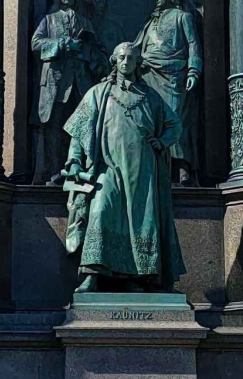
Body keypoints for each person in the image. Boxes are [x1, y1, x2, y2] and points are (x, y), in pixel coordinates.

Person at [61, 42, 186, 293]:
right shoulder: (99, 93)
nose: (126, 62)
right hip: (108, 168)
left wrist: (161, 142)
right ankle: (92, 274)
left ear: (138, 63)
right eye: (121, 58)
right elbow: (79, 132)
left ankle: (136, 277)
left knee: (141, 222)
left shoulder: (151, 97)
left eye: (131, 58)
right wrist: (74, 161)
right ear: (114, 61)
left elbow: (174, 125)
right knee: (100, 211)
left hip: (143, 170)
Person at [31, 0, 103, 183]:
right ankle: (53, 170)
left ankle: (80, 168)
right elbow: (36, 43)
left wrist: (87, 52)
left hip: (80, 82)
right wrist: (62, 44)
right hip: (56, 82)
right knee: (54, 126)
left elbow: (95, 49)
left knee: (81, 126)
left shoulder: (85, 22)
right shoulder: (49, 20)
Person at [132, 0, 201, 184]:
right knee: (152, 121)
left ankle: (182, 168)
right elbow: (137, 46)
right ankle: (157, 168)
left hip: (173, 76)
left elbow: (193, 44)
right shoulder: (151, 21)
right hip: (149, 74)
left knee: (174, 119)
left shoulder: (183, 17)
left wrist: (194, 70)